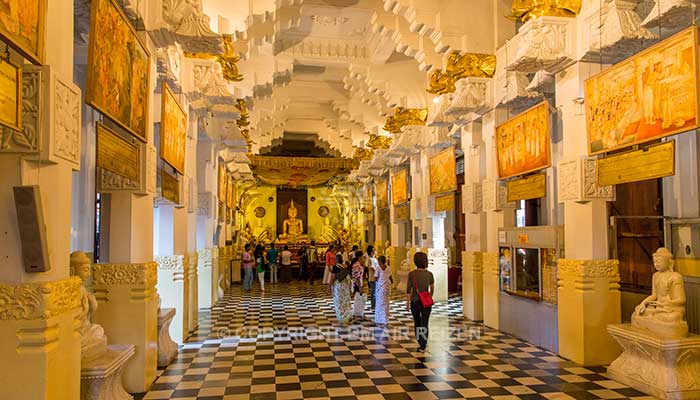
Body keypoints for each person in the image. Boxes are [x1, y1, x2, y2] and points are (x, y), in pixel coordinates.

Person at [407, 252, 434, 352]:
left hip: (415, 301)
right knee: (425, 322)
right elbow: (432, 288)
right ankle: (423, 344)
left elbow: (408, 290)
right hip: (426, 302)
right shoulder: (429, 274)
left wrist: (407, 303)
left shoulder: (412, 274)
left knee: (417, 322)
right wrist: (429, 297)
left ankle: (420, 341)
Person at [328, 254, 352, 324]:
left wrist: (328, 288)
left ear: (336, 260)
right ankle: (347, 316)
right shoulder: (345, 266)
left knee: (339, 302)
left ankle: (342, 318)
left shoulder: (335, 267)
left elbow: (332, 278)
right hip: (345, 286)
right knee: (345, 301)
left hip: (338, 286)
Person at [374, 255, 392, 326]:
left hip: (380, 287)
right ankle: (385, 319)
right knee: (386, 302)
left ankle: (380, 319)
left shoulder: (378, 268)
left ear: (379, 261)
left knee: (380, 303)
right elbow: (390, 277)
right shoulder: (388, 268)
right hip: (387, 287)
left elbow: (375, 277)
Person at [351, 251, 366, 320]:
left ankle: (357, 313)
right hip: (357, 284)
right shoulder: (358, 266)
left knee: (357, 298)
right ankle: (357, 313)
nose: (364, 258)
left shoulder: (356, 264)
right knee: (358, 299)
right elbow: (357, 277)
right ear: (360, 257)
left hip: (355, 284)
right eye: (363, 257)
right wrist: (360, 286)